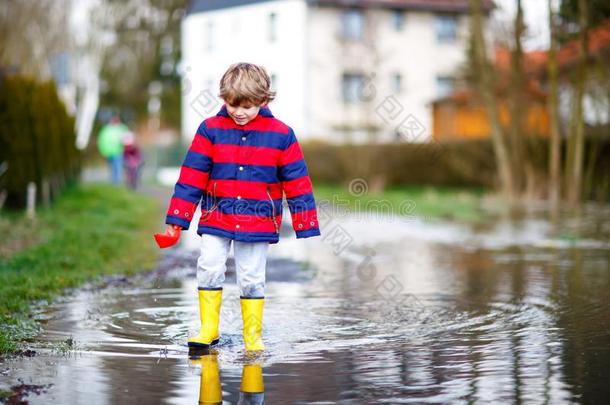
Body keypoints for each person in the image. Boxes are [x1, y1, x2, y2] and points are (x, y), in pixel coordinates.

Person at [163, 62, 321, 352]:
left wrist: (305, 222)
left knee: (251, 277)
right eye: (233, 104)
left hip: (257, 220)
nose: (239, 112)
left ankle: (252, 336)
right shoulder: (210, 130)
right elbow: (191, 177)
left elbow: (297, 181)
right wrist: (178, 219)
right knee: (209, 267)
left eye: (247, 106)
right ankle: (208, 328)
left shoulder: (281, 134)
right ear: (224, 98)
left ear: (263, 100)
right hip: (216, 215)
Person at [97, 115, 128, 185]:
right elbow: (101, 141)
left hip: (119, 151)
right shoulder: (106, 130)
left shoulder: (122, 128)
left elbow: (127, 138)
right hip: (109, 152)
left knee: (118, 166)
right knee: (112, 167)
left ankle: (117, 182)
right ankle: (114, 181)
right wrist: (103, 151)